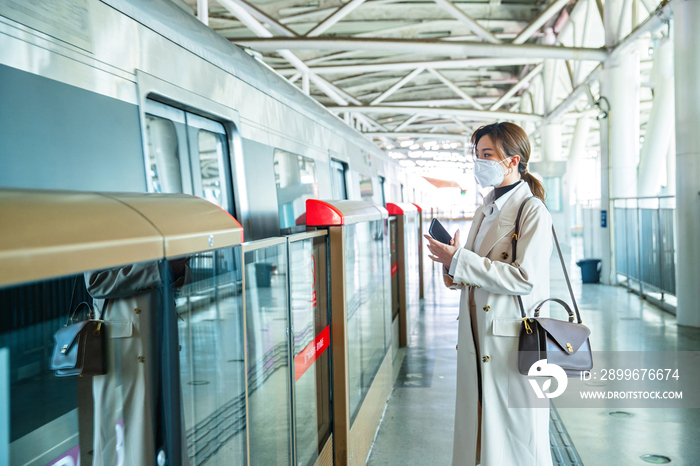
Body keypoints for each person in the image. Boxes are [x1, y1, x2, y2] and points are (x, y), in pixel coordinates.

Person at [425, 122, 553, 466]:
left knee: (516, 435)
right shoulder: (485, 209)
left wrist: (461, 260)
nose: (479, 162)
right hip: (477, 336)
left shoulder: (532, 211)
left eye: (487, 155)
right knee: (479, 427)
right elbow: (470, 274)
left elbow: (526, 279)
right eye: (476, 155)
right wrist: (451, 263)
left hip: (509, 341)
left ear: (513, 160)